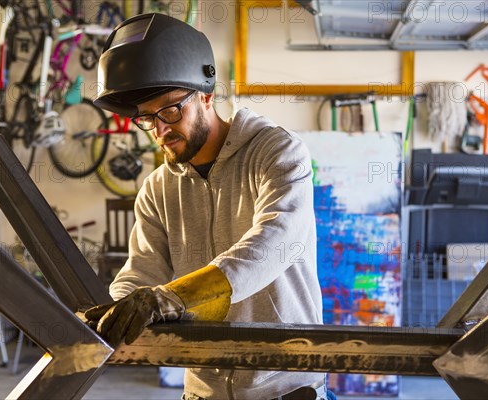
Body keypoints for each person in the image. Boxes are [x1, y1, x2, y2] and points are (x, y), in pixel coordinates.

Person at [85, 13, 329, 400]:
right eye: (147, 119)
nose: (161, 130)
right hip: (203, 392)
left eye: (169, 111)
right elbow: (143, 273)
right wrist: (115, 310)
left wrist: (173, 296)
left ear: (206, 95)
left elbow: (275, 241)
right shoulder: (158, 188)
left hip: (287, 387)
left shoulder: (276, 151)